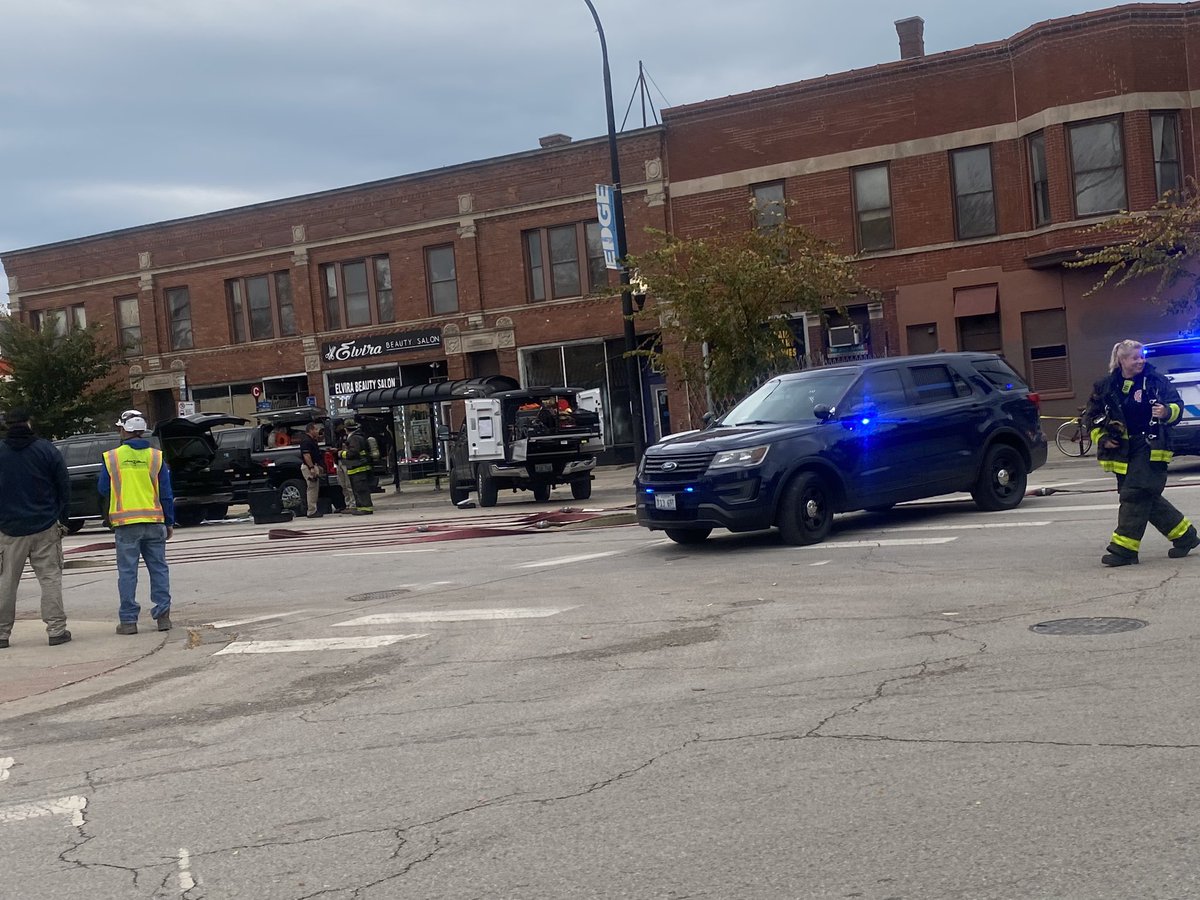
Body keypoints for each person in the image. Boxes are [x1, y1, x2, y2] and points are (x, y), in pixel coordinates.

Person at [1083, 339, 1200, 567]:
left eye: (1142, 356)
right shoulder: (1106, 386)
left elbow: (1177, 405)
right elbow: (1091, 417)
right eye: (1135, 357)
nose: (1141, 361)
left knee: (1135, 494)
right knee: (1147, 497)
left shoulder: (1156, 381)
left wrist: (1166, 411)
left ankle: (1124, 550)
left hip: (1151, 446)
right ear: (1122, 360)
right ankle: (1185, 536)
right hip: (1122, 452)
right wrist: (1104, 439)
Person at [0, 408, 72, 648]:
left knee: (6, 583)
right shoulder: (46, 450)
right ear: (29, 423)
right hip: (45, 526)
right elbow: (63, 485)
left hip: (9, 529)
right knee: (50, 579)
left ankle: (1, 634)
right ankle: (56, 630)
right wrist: (62, 518)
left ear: (6, 424)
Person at [98, 413, 175, 632]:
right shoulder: (156, 457)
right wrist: (169, 521)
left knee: (128, 572)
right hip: (154, 521)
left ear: (124, 430)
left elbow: (103, 489)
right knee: (159, 569)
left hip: (126, 523)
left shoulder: (112, 457)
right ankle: (163, 617)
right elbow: (167, 494)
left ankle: (129, 621)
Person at [339, 418, 374, 515]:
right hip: (357, 468)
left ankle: (366, 508)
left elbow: (353, 453)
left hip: (358, 468)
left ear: (346, 429)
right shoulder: (357, 436)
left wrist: (341, 454)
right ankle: (361, 507)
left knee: (361, 489)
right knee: (358, 490)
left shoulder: (354, 438)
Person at [300, 422, 324, 518]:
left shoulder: (311, 440)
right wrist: (311, 468)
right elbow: (306, 455)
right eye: (315, 429)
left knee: (314, 488)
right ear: (310, 430)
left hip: (312, 466)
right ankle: (311, 511)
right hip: (309, 467)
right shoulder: (306, 441)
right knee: (312, 488)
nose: (317, 431)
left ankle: (313, 510)